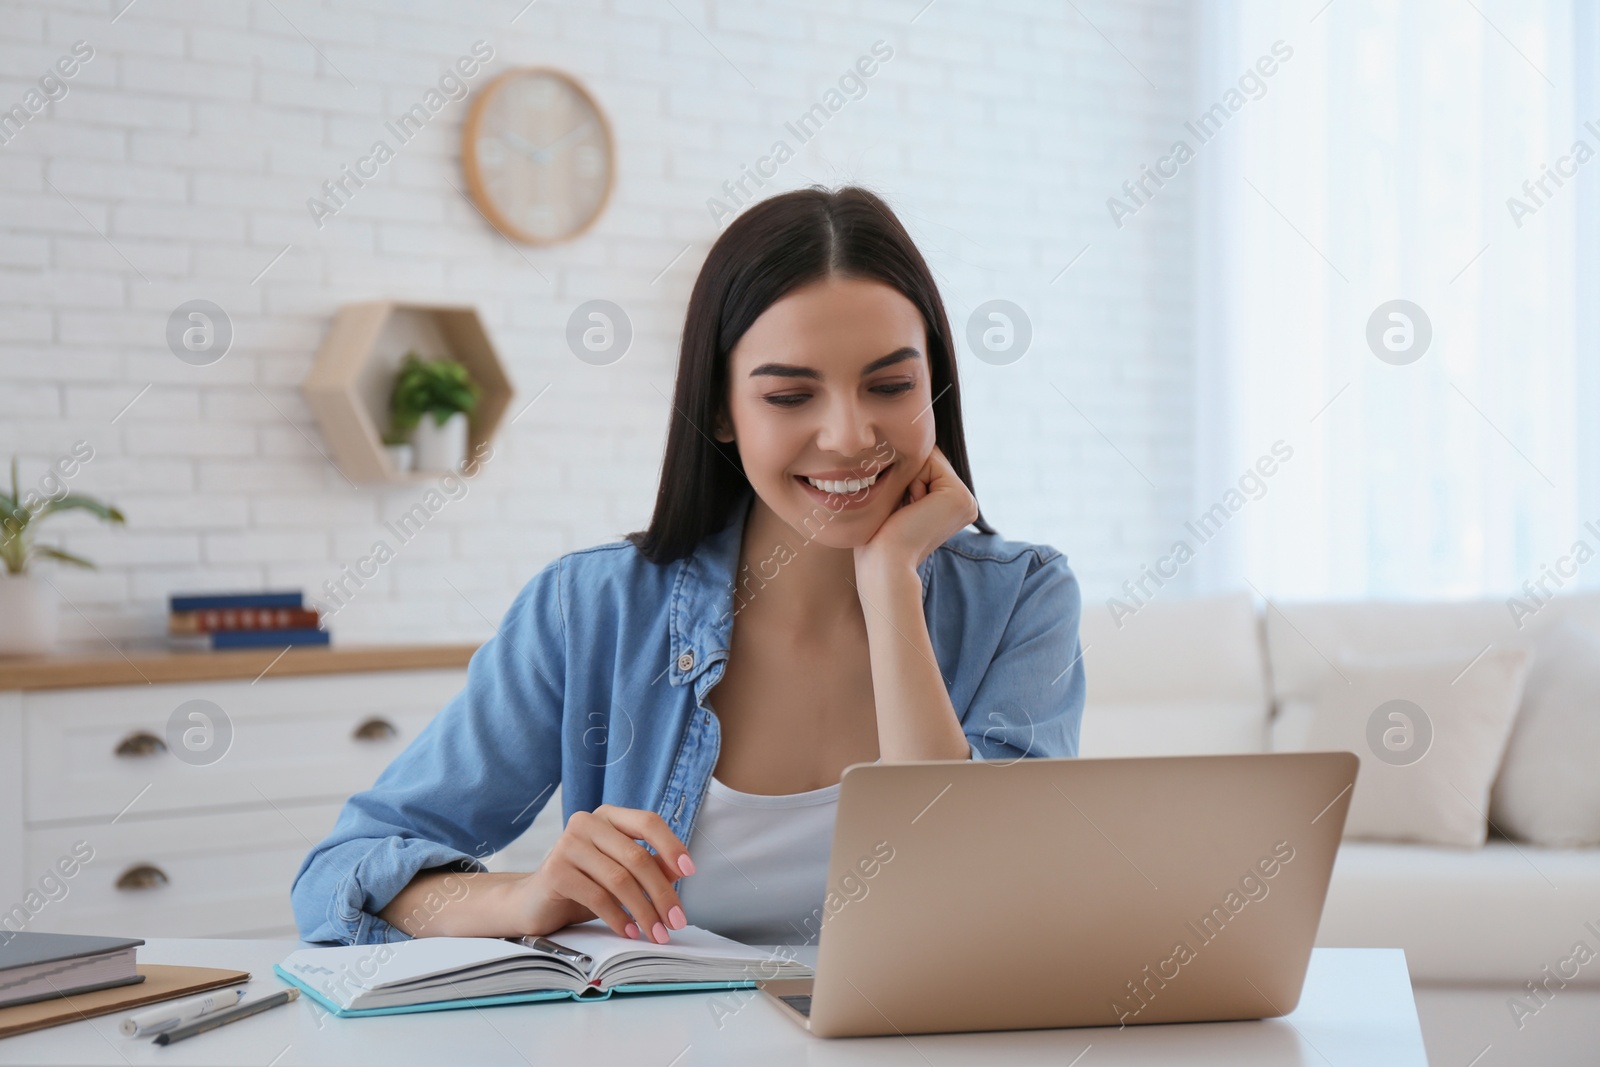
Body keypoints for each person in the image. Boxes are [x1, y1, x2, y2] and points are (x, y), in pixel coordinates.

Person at [290, 185, 1086, 950]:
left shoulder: (1023, 601)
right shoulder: (590, 609)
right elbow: (339, 874)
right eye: (789, 395)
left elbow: (977, 897)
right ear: (718, 408)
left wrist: (890, 584)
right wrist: (525, 896)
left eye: (890, 384)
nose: (848, 435)